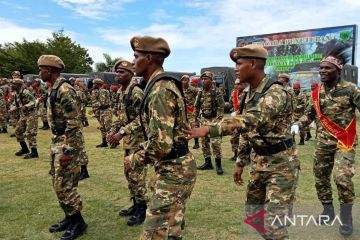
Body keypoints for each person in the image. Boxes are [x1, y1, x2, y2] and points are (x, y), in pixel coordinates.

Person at [186, 44, 298, 240]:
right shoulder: (249, 93)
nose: (236, 69)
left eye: (239, 63)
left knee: (275, 225)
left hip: (281, 165)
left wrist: (209, 129)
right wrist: (240, 162)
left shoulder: (276, 92)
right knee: (253, 216)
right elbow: (249, 132)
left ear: (253, 63)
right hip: (259, 162)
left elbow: (250, 120)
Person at [124, 35, 197, 240]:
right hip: (173, 166)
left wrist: (134, 159)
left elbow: (161, 144)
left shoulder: (159, 90)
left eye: (136, 56)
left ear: (148, 58)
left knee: (155, 233)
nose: (132, 61)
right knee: (171, 229)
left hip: (174, 170)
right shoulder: (158, 85)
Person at [298, 39, 359, 236]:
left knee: (341, 178)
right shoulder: (315, 93)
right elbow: (309, 115)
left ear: (338, 70)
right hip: (322, 143)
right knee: (320, 177)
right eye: (321, 68)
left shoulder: (350, 89)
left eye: (327, 68)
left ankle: (346, 218)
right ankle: (328, 211)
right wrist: (297, 125)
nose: (322, 71)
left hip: (344, 143)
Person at [38, 55, 87, 240]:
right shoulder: (55, 87)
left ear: (49, 71)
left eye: (41, 69)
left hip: (67, 144)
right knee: (57, 183)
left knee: (64, 186)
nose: (39, 73)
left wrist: (67, 151)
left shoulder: (64, 89)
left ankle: (78, 222)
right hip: (57, 141)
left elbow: (74, 122)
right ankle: (69, 217)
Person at [107, 59, 148, 226]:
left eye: (122, 72)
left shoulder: (136, 91)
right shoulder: (121, 92)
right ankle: (136, 204)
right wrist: (112, 133)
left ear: (131, 74)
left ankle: (143, 209)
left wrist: (121, 133)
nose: (118, 75)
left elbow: (143, 119)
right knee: (129, 174)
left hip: (138, 141)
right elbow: (121, 117)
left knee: (137, 176)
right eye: (117, 72)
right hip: (128, 141)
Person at [194, 71, 225, 175]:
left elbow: (221, 107)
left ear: (211, 80)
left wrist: (218, 120)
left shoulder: (217, 91)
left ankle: (218, 165)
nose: (204, 81)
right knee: (204, 143)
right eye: (202, 79)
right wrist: (196, 119)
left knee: (215, 143)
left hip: (214, 120)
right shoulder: (200, 92)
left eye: (206, 79)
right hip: (204, 120)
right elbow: (197, 106)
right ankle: (208, 163)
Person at [11, 78, 39, 159]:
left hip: (32, 114)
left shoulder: (25, 92)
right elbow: (17, 103)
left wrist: (26, 106)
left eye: (13, 84)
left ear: (18, 85)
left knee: (30, 132)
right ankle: (25, 149)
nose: (11, 86)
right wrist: (12, 109)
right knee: (18, 131)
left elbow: (34, 101)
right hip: (24, 115)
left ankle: (34, 152)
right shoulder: (17, 93)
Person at [228, 78, 247, 161]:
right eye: (235, 84)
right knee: (234, 137)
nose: (236, 86)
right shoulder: (234, 93)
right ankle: (235, 154)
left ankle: (247, 156)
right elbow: (230, 103)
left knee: (245, 138)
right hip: (236, 118)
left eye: (239, 84)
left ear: (244, 85)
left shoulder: (247, 93)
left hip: (245, 119)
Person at [91, 78, 112, 148]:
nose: (93, 85)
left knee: (108, 127)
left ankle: (113, 141)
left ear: (98, 84)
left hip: (106, 110)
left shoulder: (102, 91)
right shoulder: (98, 91)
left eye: (94, 84)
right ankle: (104, 142)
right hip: (102, 111)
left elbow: (102, 103)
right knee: (102, 127)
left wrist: (94, 105)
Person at [181, 74, 200, 150]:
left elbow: (198, 97)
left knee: (193, 126)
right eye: (182, 80)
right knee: (184, 127)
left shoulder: (193, 89)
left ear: (188, 81)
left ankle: (196, 143)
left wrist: (196, 107)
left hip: (191, 110)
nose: (183, 82)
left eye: (185, 80)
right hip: (183, 111)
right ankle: (185, 143)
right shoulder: (180, 89)